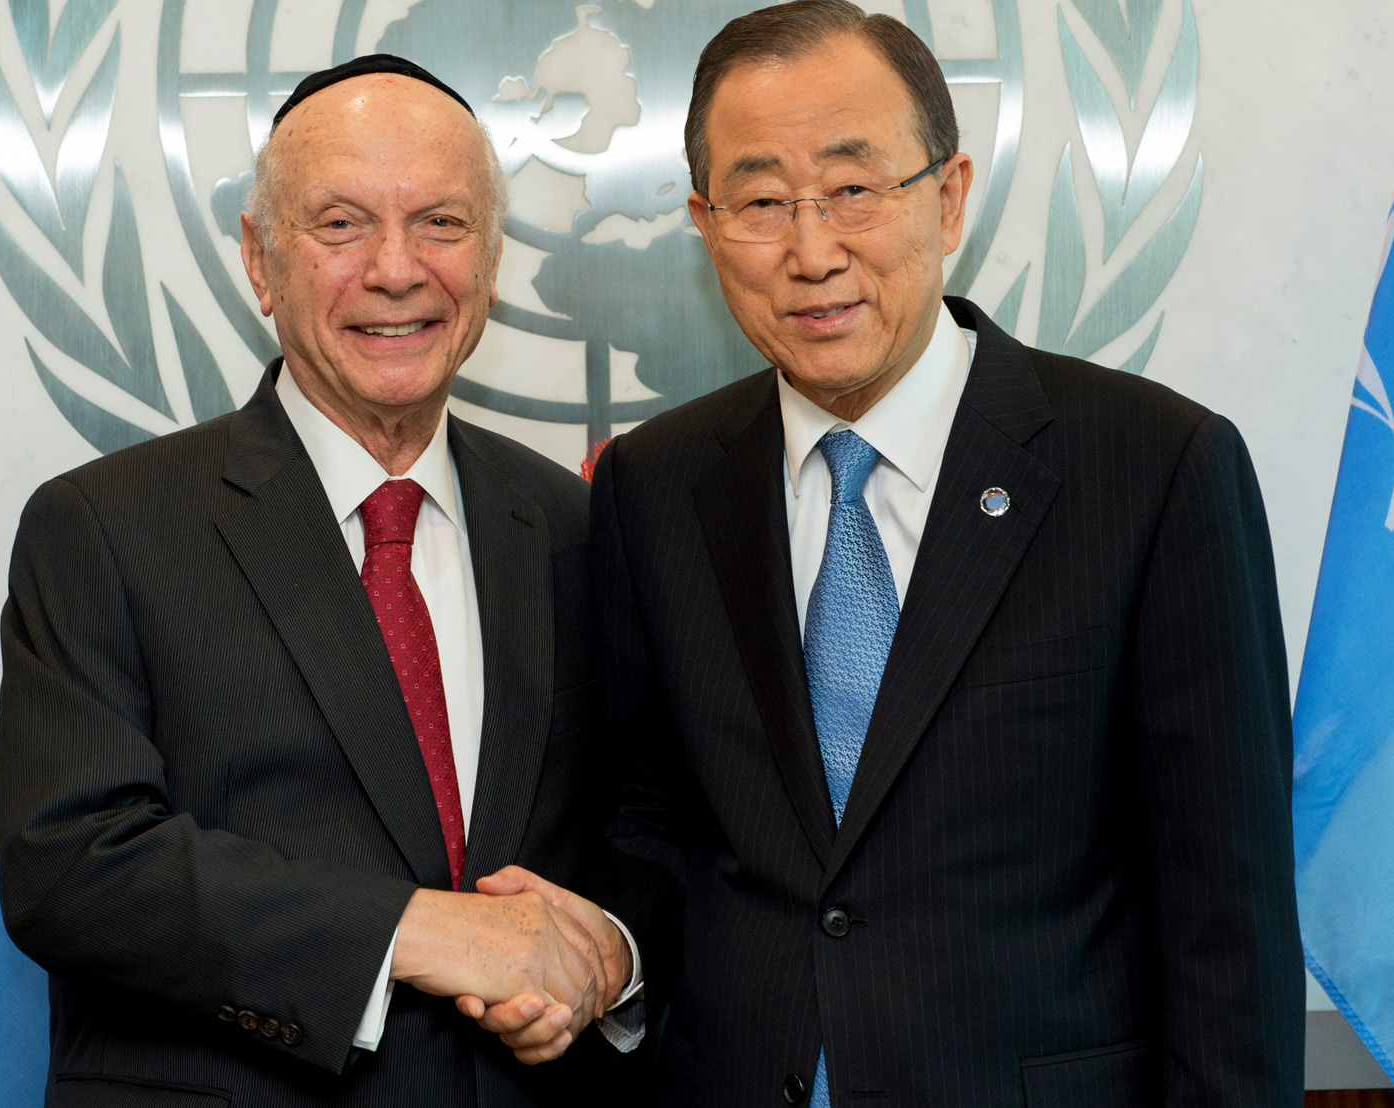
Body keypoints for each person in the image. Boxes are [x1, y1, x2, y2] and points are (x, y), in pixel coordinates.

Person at [543, 2, 1304, 1103]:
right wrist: (598, 943)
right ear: (706, 226)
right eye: (761, 202)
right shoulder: (654, 485)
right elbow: (650, 819)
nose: (812, 252)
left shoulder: (1154, 467)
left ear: (947, 198)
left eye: (855, 189)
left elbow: (1224, 909)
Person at [0, 56, 640, 1108]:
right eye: (341, 224)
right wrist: (413, 930)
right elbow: (73, 865)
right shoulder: (104, 527)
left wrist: (606, 952)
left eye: (441, 222)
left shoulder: (574, 526)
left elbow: (639, 826)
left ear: (493, 255)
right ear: (259, 259)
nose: (396, 269)